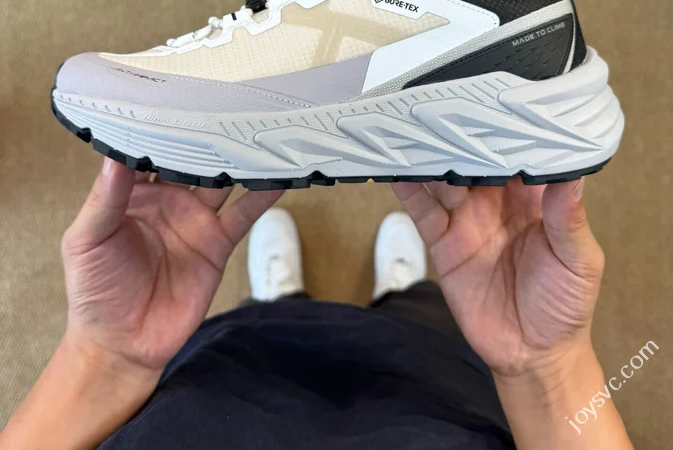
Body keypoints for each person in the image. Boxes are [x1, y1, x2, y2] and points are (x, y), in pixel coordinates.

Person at [1, 158, 634, 450]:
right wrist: (546, 366)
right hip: (433, 392)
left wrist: (105, 356)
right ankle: (402, 294)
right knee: (418, 322)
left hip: (221, 387)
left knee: (261, 330)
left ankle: (282, 301)